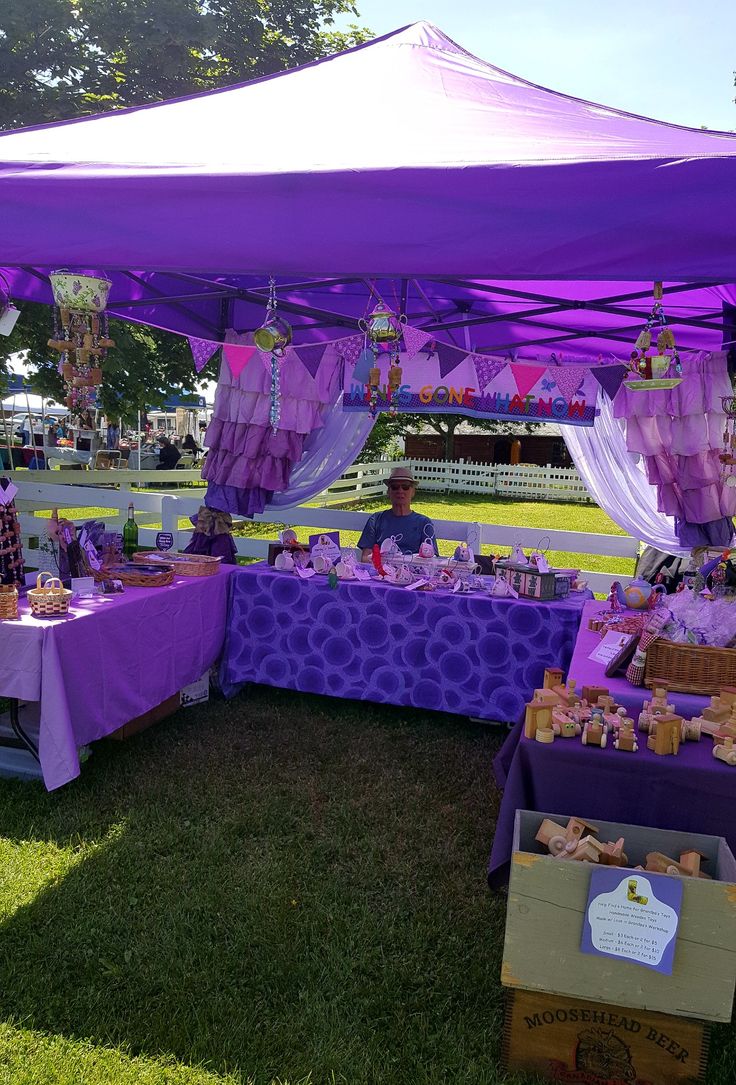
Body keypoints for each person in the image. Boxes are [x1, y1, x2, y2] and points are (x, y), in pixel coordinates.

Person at [358, 467, 438, 560]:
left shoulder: (424, 523)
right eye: (395, 487)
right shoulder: (375, 520)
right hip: (381, 571)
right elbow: (365, 557)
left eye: (405, 487)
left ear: (413, 492)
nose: (400, 491)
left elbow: (430, 559)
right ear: (389, 491)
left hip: (412, 571)